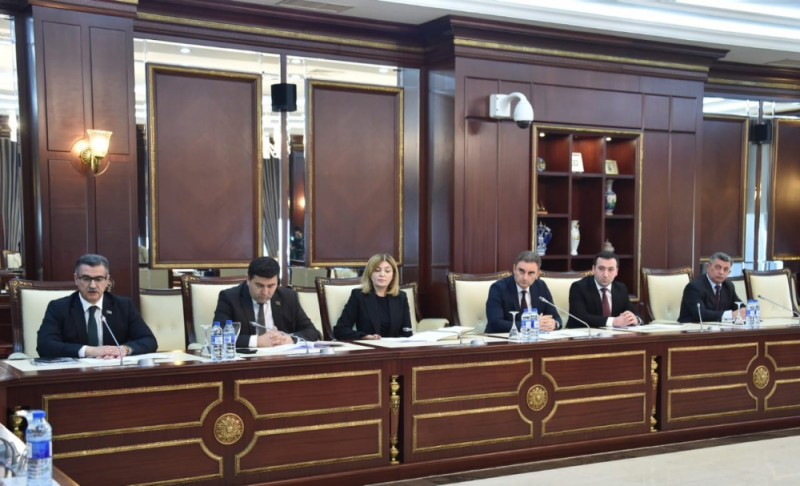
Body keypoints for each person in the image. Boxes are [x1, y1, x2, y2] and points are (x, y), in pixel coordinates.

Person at [37, 254, 158, 358]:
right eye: (86, 278)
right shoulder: (59, 307)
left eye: (99, 279)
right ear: (76, 279)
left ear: (107, 280)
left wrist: (123, 349)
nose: (93, 285)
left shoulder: (123, 306)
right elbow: (44, 345)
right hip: (76, 373)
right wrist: (90, 351)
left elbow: (149, 341)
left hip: (114, 370)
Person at [213, 256, 320, 347]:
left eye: (271, 286)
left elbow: (312, 332)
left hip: (281, 358)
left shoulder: (288, 297)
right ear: (248, 280)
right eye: (259, 285)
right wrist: (257, 341)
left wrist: (290, 339)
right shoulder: (229, 298)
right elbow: (219, 336)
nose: (265, 292)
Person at [333, 254, 412, 340]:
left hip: (394, 347)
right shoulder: (358, 296)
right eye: (377, 270)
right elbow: (340, 330)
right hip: (369, 345)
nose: (382, 274)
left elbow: (407, 331)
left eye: (387, 271)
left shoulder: (401, 297)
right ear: (370, 273)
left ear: (393, 275)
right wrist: (365, 337)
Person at [486, 251, 561, 333]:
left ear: (537, 274)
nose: (525, 278)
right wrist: (531, 325)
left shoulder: (541, 286)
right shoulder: (498, 288)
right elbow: (495, 323)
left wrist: (554, 324)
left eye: (531, 273)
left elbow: (556, 317)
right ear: (514, 269)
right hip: (502, 338)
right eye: (521, 271)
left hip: (534, 338)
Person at [568, 251, 641, 328]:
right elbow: (580, 317)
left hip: (614, 334)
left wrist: (635, 319)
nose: (605, 275)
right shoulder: (578, 287)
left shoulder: (620, 289)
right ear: (593, 269)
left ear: (616, 272)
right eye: (601, 268)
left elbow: (635, 314)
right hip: (584, 333)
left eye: (611, 269)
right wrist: (613, 322)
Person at [677, 251, 745, 323]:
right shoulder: (694, 287)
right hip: (692, 327)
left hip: (719, 327)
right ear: (708, 267)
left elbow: (739, 305)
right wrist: (730, 315)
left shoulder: (728, 286)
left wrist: (744, 311)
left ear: (729, 272)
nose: (721, 272)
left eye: (725, 269)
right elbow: (700, 314)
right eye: (718, 267)